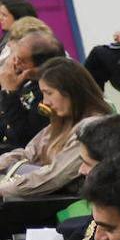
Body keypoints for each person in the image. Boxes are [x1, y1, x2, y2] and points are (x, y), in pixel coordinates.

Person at [0, 58, 108, 199]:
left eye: (49, 93)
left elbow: (54, 177)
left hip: (65, 201)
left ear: (71, 91)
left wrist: (4, 190)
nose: (45, 102)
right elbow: (29, 153)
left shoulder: (92, 128)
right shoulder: (63, 121)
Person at [0, 31, 63, 154]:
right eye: (15, 57)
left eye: (21, 61)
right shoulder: (23, 80)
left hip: (25, 157)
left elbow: (27, 137)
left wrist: (9, 93)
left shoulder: (49, 94)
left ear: (42, 66)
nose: (14, 63)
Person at [0, 0, 39, 64]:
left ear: (18, 17)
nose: (0, 18)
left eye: (4, 15)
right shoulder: (7, 36)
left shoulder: (26, 42)